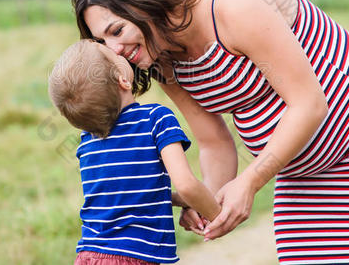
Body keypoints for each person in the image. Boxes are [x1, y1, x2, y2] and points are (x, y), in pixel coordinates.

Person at [70, 0, 349, 264]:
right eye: (104, 43)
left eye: (117, 30)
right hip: (299, 169)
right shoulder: (163, 58)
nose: (116, 51)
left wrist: (250, 182)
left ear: (143, 2)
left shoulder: (232, 6)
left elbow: (308, 104)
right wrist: (209, 198)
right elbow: (214, 141)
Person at [48, 39, 221, 264]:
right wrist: (216, 213)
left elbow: (132, 195)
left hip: (89, 255)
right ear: (123, 81)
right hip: (136, 257)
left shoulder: (88, 141)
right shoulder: (155, 119)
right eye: (114, 56)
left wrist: (181, 202)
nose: (120, 53)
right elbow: (186, 184)